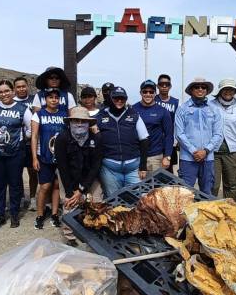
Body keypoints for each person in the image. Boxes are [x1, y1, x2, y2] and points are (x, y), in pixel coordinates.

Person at [55, 107, 103, 244]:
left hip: (89, 177)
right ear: (70, 123)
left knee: (97, 202)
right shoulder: (61, 139)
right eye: (76, 121)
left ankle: (94, 232)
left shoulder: (96, 139)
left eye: (83, 121)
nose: (80, 124)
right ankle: (70, 237)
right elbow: (62, 168)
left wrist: (81, 189)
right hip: (68, 176)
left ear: (89, 123)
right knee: (69, 204)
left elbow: (96, 166)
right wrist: (72, 192)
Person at [0, 80, 32, 229]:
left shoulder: (22, 108)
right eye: (0, 92)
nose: (4, 94)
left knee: (15, 184)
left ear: (12, 91)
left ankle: (14, 214)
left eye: (7, 91)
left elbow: (30, 129)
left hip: (15, 153)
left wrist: (20, 139)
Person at [95, 86, 150, 196]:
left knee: (138, 199)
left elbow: (144, 140)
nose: (119, 101)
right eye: (116, 98)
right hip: (110, 168)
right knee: (113, 201)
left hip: (133, 167)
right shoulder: (100, 116)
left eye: (122, 98)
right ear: (110, 98)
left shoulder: (134, 115)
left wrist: (143, 166)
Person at [175, 78, 223, 195]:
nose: (200, 89)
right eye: (197, 87)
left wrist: (206, 151)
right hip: (188, 158)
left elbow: (218, 133)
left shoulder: (214, 109)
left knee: (207, 192)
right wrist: (193, 151)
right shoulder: (182, 109)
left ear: (207, 90)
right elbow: (179, 133)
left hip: (208, 158)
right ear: (191, 90)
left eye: (203, 87)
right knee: (185, 192)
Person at [31, 88, 68, 229]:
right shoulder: (38, 115)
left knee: (57, 185)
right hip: (44, 155)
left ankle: (54, 214)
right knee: (45, 186)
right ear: (45, 100)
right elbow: (34, 137)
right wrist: (34, 157)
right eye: (50, 97)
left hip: (60, 156)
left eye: (56, 97)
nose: (53, 99)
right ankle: (40, 215)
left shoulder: (64, 115)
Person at [132, 80, 173, 172]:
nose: (148, 94)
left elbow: (169, 135)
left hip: (155, 157)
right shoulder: (133, 109)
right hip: (136, 156)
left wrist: (167, 156)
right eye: (145, 92)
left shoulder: (163, 111)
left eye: (151, 92)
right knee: (136, 186)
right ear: (140, 93)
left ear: (155, 93)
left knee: (155, 186)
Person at [12, 76, 38, 211]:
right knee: (17, 172)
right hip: (16, 143)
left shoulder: (34, 100)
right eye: (18, 87)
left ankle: (33, 198)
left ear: (27, 86)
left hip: (31, 142)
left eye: (23, 86)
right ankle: (21, 197)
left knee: (33, 172)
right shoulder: (11, 101)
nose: (21, 89)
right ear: (14, 89)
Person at [155, 74, 180, 173]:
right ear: (158, 86)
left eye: (167, 84)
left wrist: (176, 139)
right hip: (155, 142)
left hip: (169, 142)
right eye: (162, 84)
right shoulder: (153, 99)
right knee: (153, 172)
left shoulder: (176, 102)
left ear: (170, 86)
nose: (164, 86)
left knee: (168, 172)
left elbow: (178, 122)